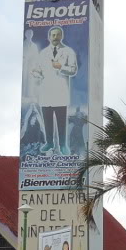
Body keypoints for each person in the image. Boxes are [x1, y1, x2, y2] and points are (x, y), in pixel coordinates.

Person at [31, 25, 78, 154]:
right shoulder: (43, 53)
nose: (55, 37)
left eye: (58, 35)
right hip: (46, 91)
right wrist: (36, 73)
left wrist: (61, 66)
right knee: (47, 120)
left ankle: (63, 145)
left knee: (61, 120)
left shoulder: (68, 51)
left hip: (60, 91)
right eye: (53, 35)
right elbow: (37, 69)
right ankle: (49, 142)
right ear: (49, 37)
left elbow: (73, 70)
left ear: (61, 36)